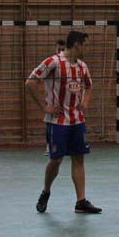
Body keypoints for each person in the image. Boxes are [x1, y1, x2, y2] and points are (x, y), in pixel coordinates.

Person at [26, 31, 101, 214]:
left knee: (79, 158)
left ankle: (81, 202)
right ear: (76, 45)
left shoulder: (82, 66)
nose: (87, 49)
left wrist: (85, 102)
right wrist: (45, 107)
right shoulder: (53, 62)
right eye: (86, 45)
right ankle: (46, 191)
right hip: (57, 122)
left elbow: (89, 86)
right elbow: (30, 83)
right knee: (56, 160)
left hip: (77, 121)